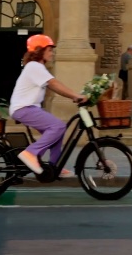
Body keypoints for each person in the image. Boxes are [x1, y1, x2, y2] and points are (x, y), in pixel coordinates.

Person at [9, 34, 88, 177]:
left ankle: (54, 166)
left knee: (57, 131)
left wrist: (72, 96)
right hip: (24, 108)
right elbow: (54, 84)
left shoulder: (37, 67)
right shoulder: (34, 66)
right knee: (58, 126)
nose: (52, 53)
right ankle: (30, 153)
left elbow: (53, 86)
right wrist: (75, 95)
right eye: (49, 50)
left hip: (29, 108)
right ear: (40, 50)